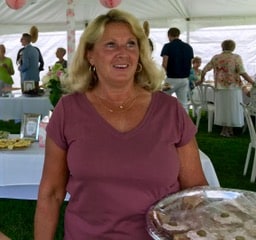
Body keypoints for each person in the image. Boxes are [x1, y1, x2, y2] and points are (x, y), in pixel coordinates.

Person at [34, 9, 208, 240]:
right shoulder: (68, 110)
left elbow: (195, 190)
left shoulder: (170, 110)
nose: (123, 53)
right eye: (111, 45)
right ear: (90, 55)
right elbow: (51, 193)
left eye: (130, 44)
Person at [199, 39, 254, 137]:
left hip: (219, 87)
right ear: (233, 48)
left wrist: (201, 80)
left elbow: (204, 70)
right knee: (232, 108)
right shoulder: (236, 57)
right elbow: (242, 72)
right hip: (232, 86)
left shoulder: (216, 58)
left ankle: (226, 129)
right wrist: (252, 82)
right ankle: (228, 130)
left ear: (222, 47)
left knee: (223, 108)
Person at [160, 27, 194, 111]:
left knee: (163, 101)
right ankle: (184, 123)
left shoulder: (167, 46)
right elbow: (190, 63)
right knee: (183, 104)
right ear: (179, 35)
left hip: (171, 79)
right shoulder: (188, 47)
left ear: (169, 35)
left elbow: (165, 64)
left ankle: (166, 121)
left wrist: (161, 75)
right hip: (184, 79)